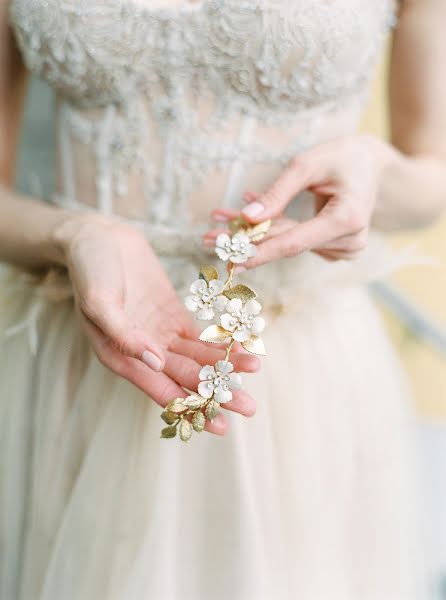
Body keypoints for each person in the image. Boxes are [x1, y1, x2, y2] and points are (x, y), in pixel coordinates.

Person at [1, 0, 445, 598]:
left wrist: (372, 169)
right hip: (80, 351)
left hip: (297, 371)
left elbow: (432, 176)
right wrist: (75, 235)